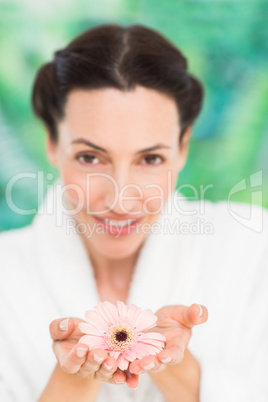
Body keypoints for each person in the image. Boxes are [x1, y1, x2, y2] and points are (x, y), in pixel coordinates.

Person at [0, 23, 267, 402]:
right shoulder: (5, 277)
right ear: (52, 143)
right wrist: (74, 379)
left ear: (183, 147)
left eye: (151, 158)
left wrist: (175, 366)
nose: (121, 200)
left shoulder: (254, 250)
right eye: (90, 157)